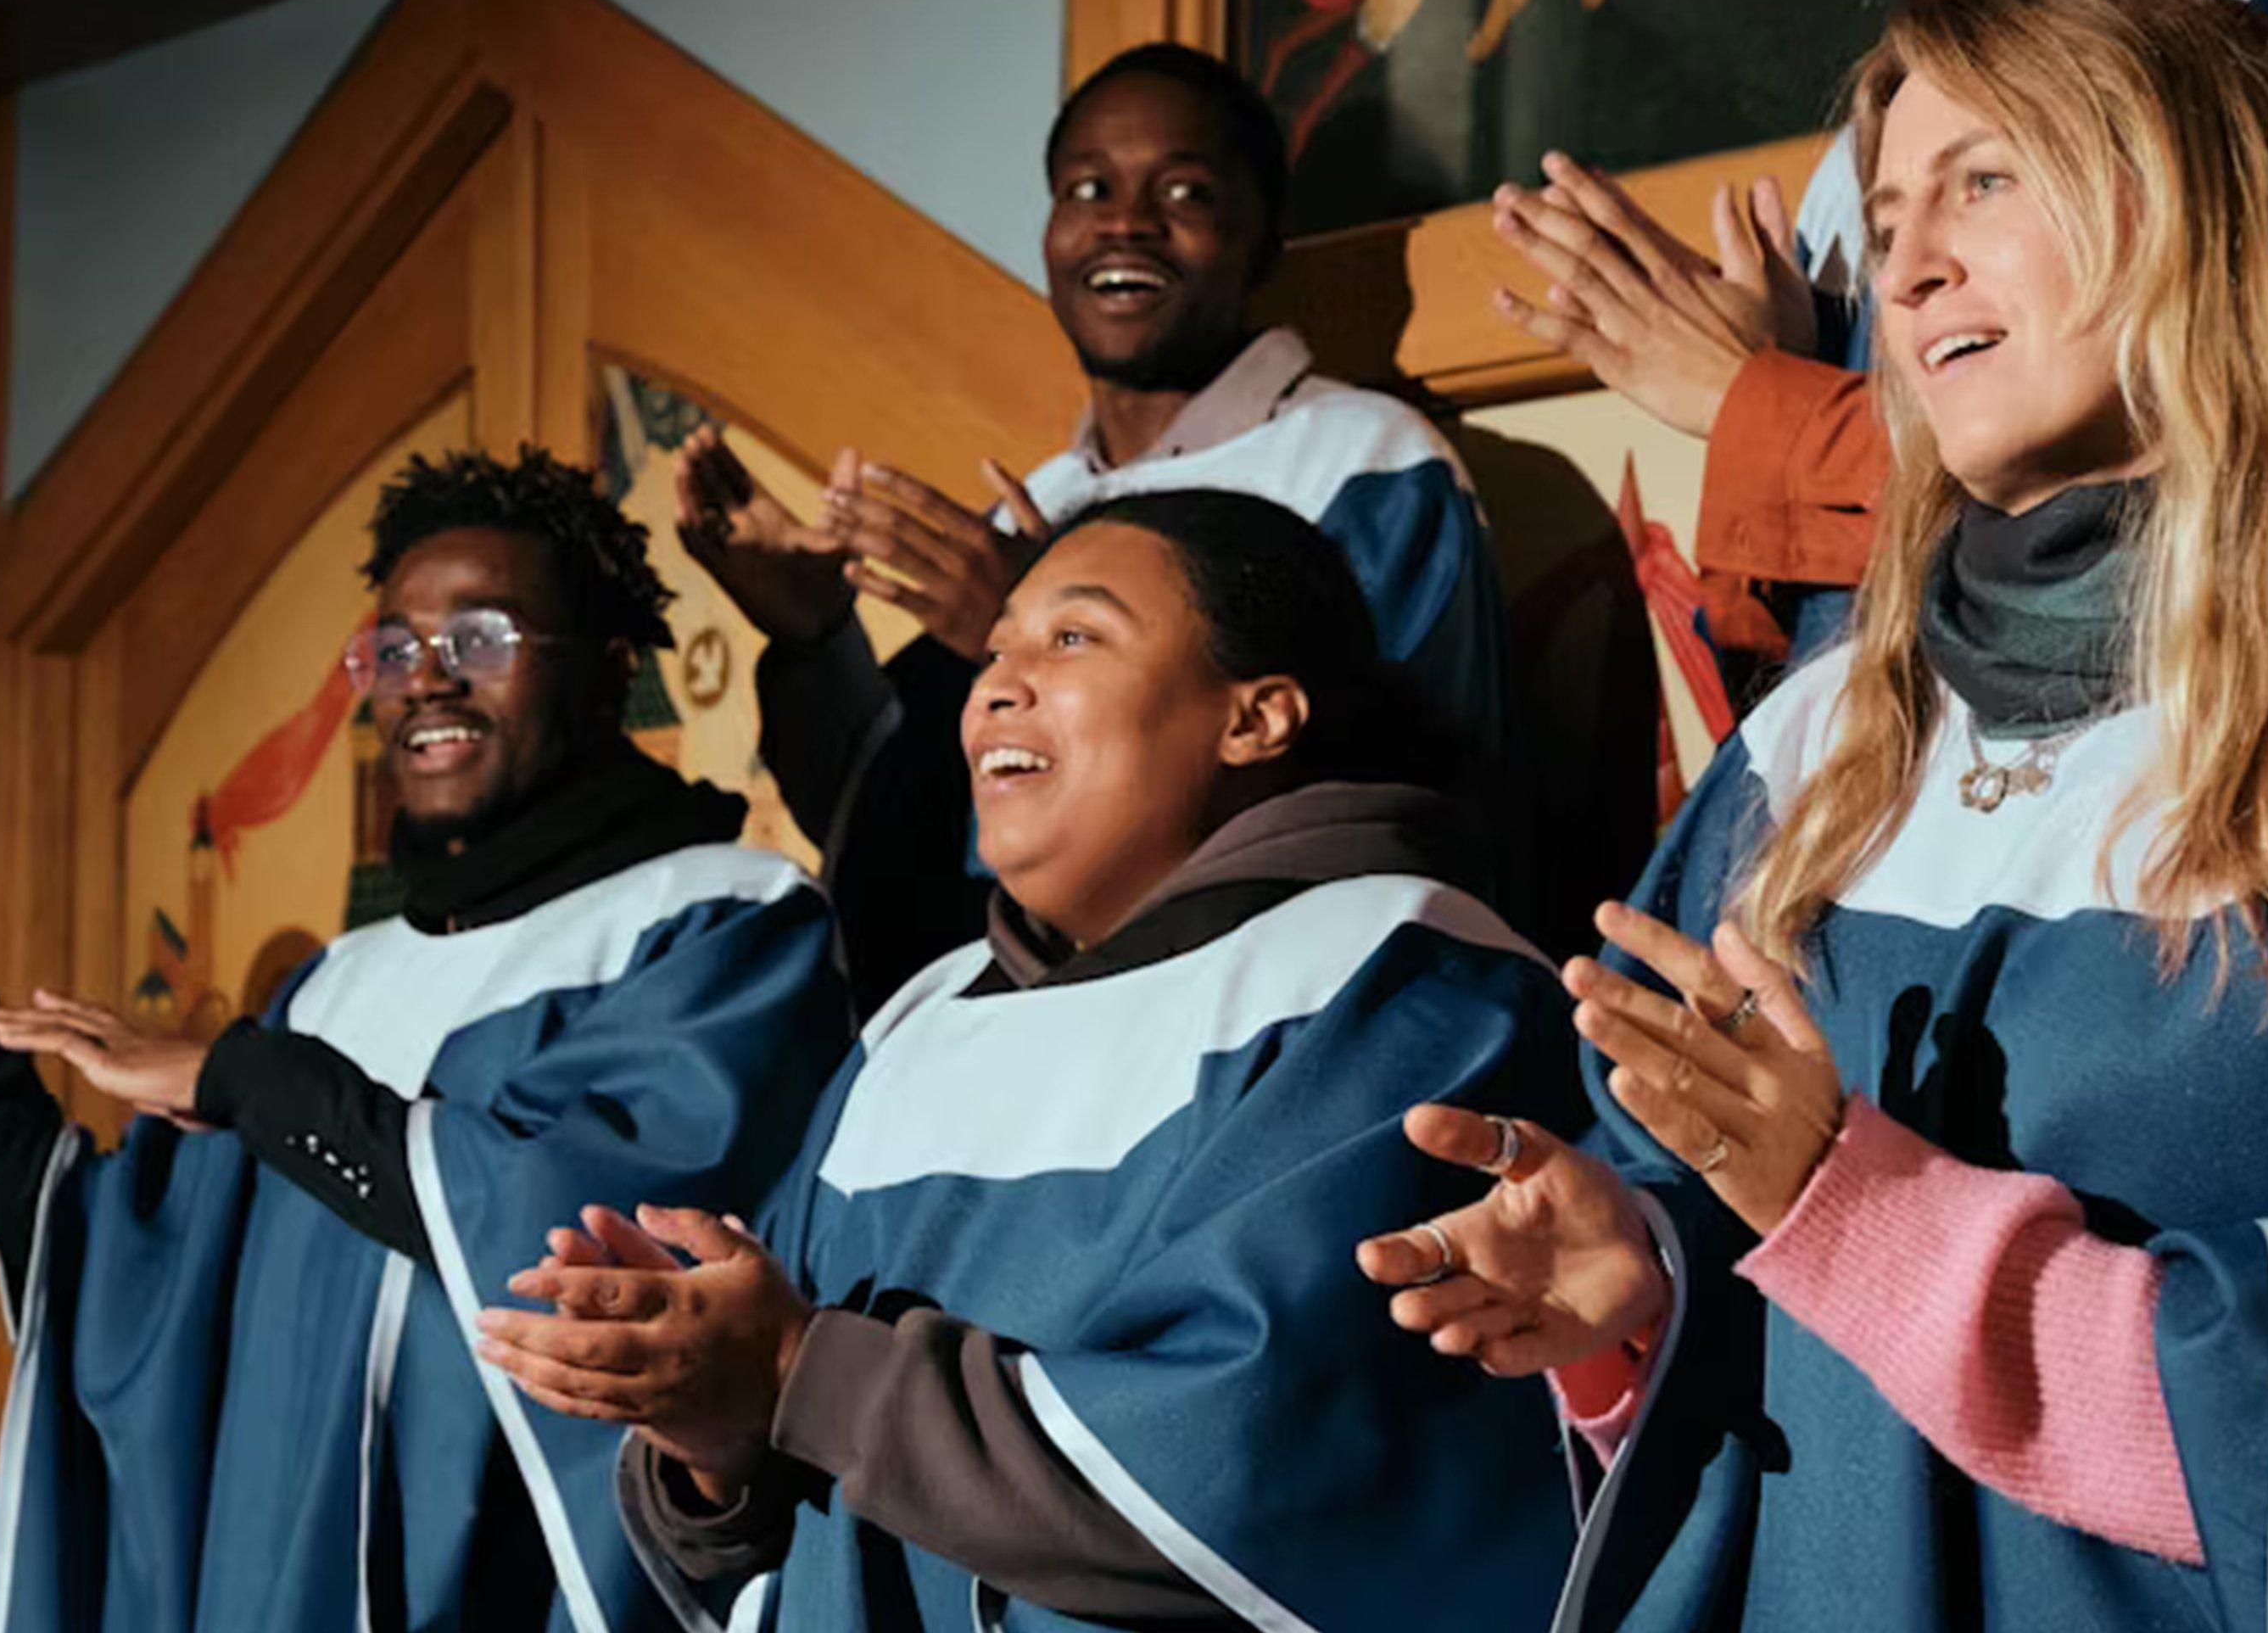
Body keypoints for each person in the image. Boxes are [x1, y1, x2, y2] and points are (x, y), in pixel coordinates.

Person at [1363, 0, 2268, 1630]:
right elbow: (1730, 1279)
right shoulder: (1811, 754)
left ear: (2220, 211)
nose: (1908, 266)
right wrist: (1632, 1291)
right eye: (1891, 213)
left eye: (1987, 180)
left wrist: (1869, 1218)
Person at [478, 491, 1587, 1632]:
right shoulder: (923, 1016)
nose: (996, 684)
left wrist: (804, 1373)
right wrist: (709, 1437)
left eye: (1073, 637)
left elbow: (1280, 1458)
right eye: (996, 648)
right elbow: (789, 1459)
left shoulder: (1405, 979)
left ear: (1257, 720)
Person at [0, 450, 847, 1631]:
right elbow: (166, 1297)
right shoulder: (339, 980)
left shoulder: (722, 918)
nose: (426, 682)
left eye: (481, 640)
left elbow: (584, 1237)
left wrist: (245, 1077)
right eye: (394, 652)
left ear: (605, 669)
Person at [679, 41, 1508, 1016]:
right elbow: (902, 840)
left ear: (1266, 237)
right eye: (1086, 188)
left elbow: (1416, 791)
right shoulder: (1033, 499)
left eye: (1186, 192)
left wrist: (1051, 638)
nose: (1125, 222)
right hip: (1028, 1008)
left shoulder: (1365, 465)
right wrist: (816, 637)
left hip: (1253, 1002)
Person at [1493, 0, 2268, 679]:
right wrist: (1790, 355)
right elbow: (1839, 631)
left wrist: (1758, 407)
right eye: (1895, 233)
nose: (1909, 267)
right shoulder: (1862, 170)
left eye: (1989, 182)